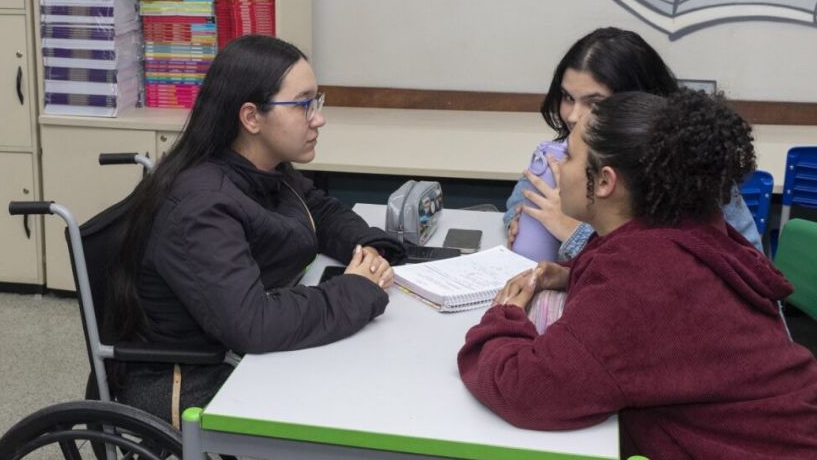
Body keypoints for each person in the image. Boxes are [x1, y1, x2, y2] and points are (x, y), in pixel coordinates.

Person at [458, 89, 817, 459]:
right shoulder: (682, 229)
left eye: (568, 155)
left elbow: (525, 389)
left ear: (604, 182)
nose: (558, 166)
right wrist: (572, 273)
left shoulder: (640, 277)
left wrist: (504, 317)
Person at [106, 35, 406, 423]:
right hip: (191, 379)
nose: (318, 118)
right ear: (251, 118)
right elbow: (253, 323)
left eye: (316, 102)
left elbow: (319, 209)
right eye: (303, 105)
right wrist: (355, 290)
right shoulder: (202, 205)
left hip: (235, 351)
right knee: (358, 405)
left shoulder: (262, 168)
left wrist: (368, 246)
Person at [504, 27, 762, 259]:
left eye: (594, 103)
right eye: (568, 97)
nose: (573, 116)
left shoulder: (692, 179)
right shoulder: (568, 152)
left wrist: (577, 235)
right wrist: (518, 221)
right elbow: (522, 198)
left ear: (636, 105)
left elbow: (661, 274)